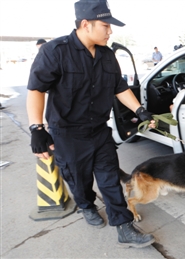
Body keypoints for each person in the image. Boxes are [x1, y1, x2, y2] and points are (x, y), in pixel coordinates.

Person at [26, 0, 156, 248]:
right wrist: (37, 128)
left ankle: (124, 227)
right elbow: (36, 90)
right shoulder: (55, 51)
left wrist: (140, 110)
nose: (110, 31)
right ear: (86, 24)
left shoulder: (107, 55)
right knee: (79, 179)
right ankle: (86, 205)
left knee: (109, 178)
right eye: (106, 25)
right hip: (68, 134)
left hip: (99, 131)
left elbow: (119, 87)